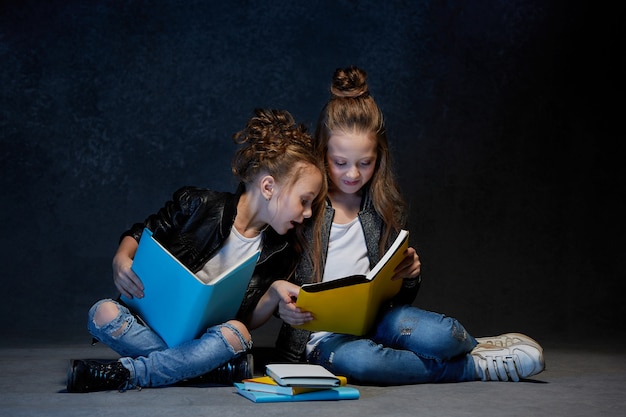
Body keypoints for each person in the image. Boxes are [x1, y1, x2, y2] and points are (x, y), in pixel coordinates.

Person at [250, 66, 545, 384]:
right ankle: (474, 367)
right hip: (319, 340)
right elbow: (267, 289)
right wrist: (283, 308)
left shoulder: (384, 208)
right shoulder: (300, 211)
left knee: (442, 335)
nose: (353, 174)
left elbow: (399, 300)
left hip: (379, 321)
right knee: (363, 363)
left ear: (380, 156)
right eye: (340, 163)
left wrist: (410, 276)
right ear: (322, 154)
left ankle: (472, 347)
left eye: (365, 163)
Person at [66, 108, 326, 393]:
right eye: (304, 201)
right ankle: (202, 370)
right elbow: (144, 231)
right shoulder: (199, 204)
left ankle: (130, 374)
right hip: (153, 324)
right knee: (100, 313)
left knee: (237, 333)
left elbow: (247, 319)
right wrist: (121, 258)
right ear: (268, 186)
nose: (307, 213)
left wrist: (274, 293)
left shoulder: (281, 251)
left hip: (209, 339)